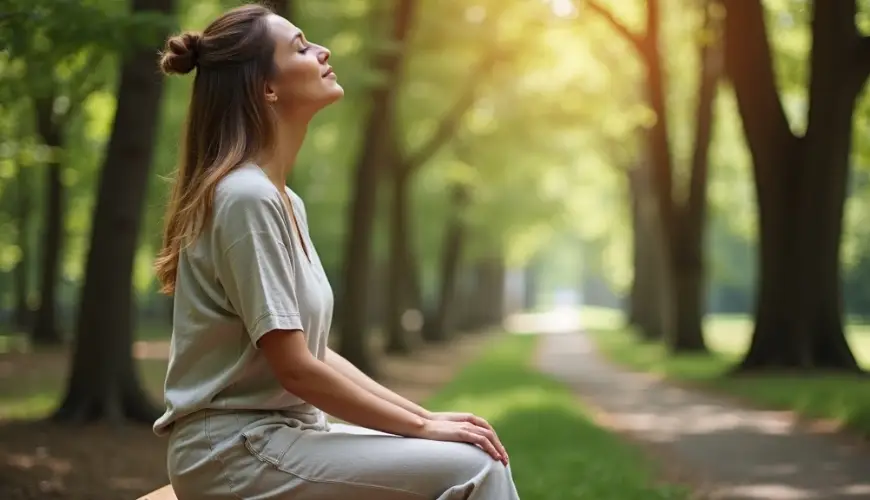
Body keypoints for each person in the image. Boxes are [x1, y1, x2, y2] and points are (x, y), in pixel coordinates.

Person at [151, 4, 520, 499]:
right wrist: (422, 429)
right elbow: (296, 370)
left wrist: (424, 417)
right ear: (267, 88)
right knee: (474, 468)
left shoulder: (284, 201)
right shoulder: (246, 198)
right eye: (301, 47)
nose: (323, 51)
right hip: (232, 453)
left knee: (470, 453)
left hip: (280, 437)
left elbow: (314, 353)